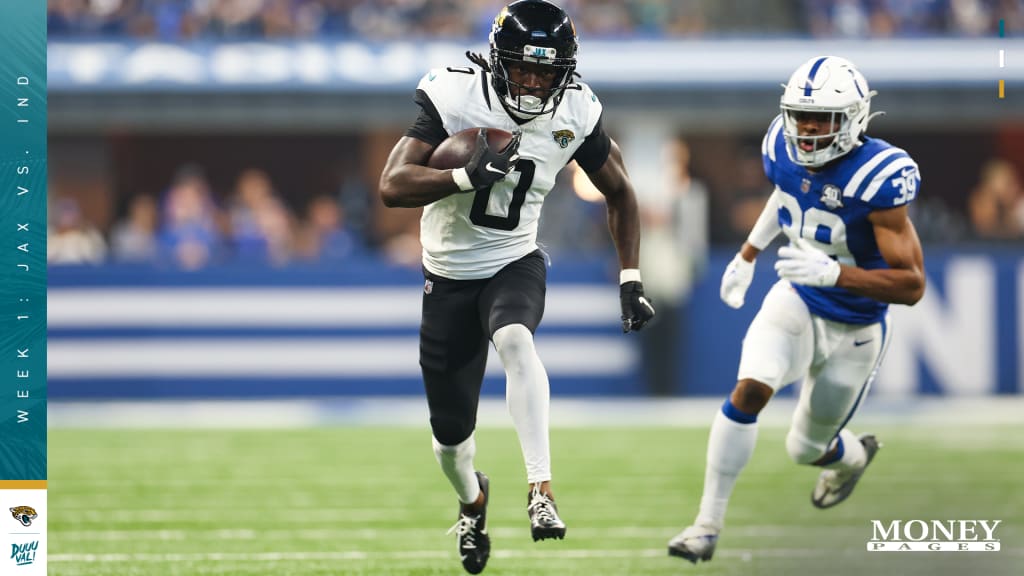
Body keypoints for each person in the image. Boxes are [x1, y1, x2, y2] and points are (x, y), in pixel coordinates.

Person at [378, 1, 655, 573]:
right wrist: (462, 174)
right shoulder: (454, 96)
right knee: (450, 441)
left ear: (565, 70)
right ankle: (472, 502)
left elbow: (622, 192)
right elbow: (391, 185)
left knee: (515, 340)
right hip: (449, 277)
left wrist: (630, 277)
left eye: (545, 71)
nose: (532, 82)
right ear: (497, 61)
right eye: (522, 69)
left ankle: (541, 490)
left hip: (515, 261)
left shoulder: (576, 110)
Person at [667, 55, 926, 563]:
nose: (806, 130)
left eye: (821, 119)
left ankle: (853, 456)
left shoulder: (879, 176)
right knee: (749, 389)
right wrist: (748, 253)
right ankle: (706, 525)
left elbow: (912, 285)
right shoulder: (778, 145)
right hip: (798, 300)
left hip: (856, 325)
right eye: (800, 116)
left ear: (853, 119)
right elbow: (787, 194)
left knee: (804, 449)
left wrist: (838, 274)